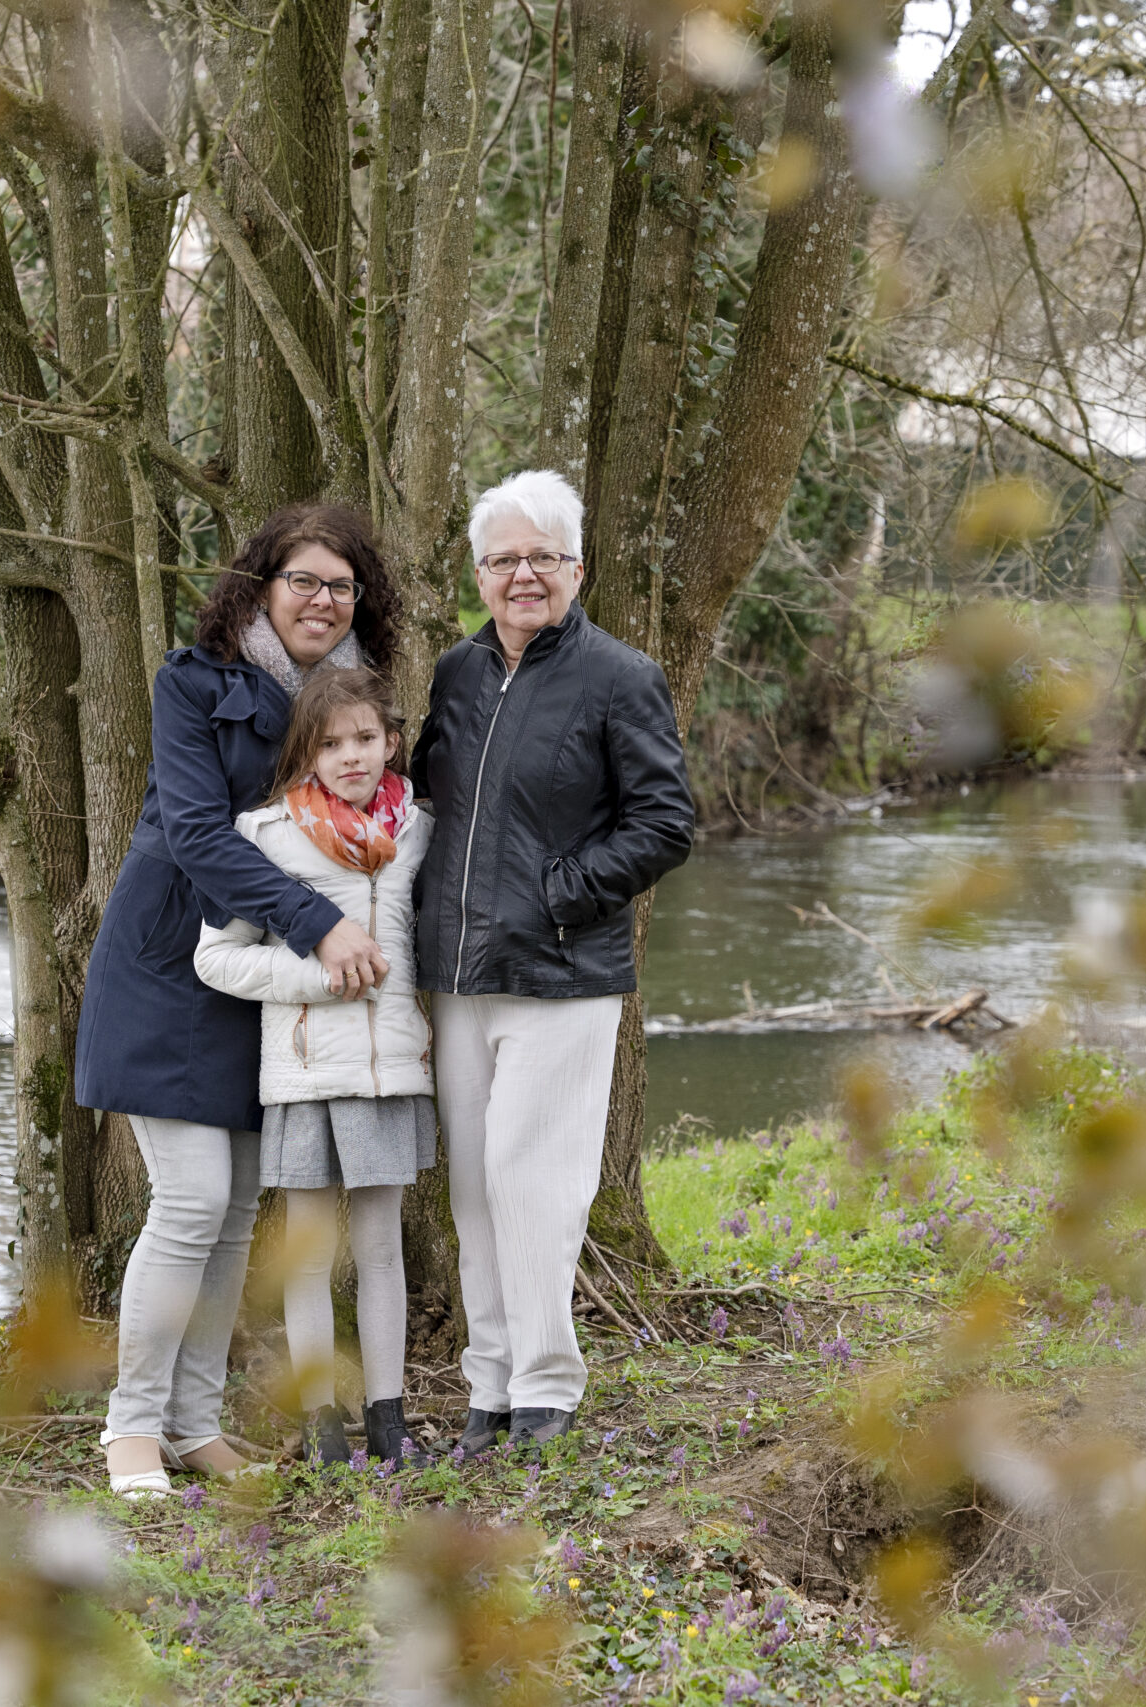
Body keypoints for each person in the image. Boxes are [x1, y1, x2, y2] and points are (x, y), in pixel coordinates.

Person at [75, 502, 403, 1499]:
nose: (320, 598)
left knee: (232, 1216)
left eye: (339, 585)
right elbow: (198, 833)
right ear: (260, 586)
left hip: (266, 981)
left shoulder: (352, 706)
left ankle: (191, 1422)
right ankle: (128, 1428)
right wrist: (322, 926)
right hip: (170, 956)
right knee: (190, 1201)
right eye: (302, 579)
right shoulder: (193, 683)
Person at [411, 468, 696, 1458]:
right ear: (477, 574)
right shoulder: (452, 676)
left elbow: (665, 822)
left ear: (576, 567)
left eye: (542, 557)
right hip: (454, 974)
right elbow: (431, 808)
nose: (521, 576)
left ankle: (545, 1386)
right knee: (475, 1189)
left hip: (562, 975)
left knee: (536, 1182)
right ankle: (487, 1385)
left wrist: (557, 893)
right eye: (502, 560)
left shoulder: (621, 678)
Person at [193, 668, 434, 1467]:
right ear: (306, 752)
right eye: (330, 743)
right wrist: (315, 977)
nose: (351, 756)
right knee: (308, 1254)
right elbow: (215, 958)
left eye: (366, 738)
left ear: (392, 741)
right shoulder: (266, 835)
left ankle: (389, 1420)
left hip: (391, 1073)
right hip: (302, 1076)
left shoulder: (420, 832)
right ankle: (324, 1427)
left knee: (380, 1250)